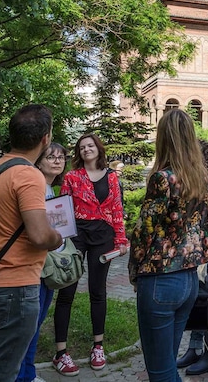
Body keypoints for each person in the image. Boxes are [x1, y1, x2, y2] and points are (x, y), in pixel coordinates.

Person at [0, 104, 64, 382]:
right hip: (15, 286)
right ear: (45, 139)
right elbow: (39, 235)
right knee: (2, 373)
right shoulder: (27, 175)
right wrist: (58, 236)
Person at [129, 109, 208, 382]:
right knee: (166, 365)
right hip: (188, 280)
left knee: (160, 371)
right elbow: (204, 229)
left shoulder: (163, 178)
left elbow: (143, 232)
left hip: (160, 281)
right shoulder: (201, 179)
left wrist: (134, 272)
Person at [53, 134, 128, 376]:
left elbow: (117, 208)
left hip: (103, 237)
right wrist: (59, 241)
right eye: (82, 147)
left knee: (98, 290)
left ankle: (98, 346)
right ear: (79, 152)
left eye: (90, 145)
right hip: (76, 235)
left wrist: (121, 240)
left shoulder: (112, 177)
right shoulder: (72, 177)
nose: (86, 149)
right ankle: (61, 352)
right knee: (67, 290)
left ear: (98, 149)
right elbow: (62, 208)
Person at [16, 142, 69, 382]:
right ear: (39, 160)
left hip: (44, 266)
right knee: (29, 327)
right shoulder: (37, 186)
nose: (58, 161)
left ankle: (28, 372)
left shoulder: (48, 187)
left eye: (61, 157)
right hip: (34, 267)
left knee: (35, 325)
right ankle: (22, 376)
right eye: (51, 157)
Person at [176, 139, 208, 376]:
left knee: (207, 303)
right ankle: (194, 349)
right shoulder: (186, 181)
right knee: (197, 303)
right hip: (190, 253)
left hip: (206, 251)